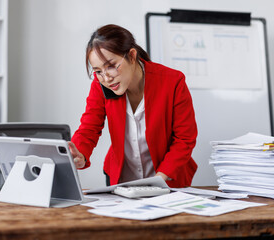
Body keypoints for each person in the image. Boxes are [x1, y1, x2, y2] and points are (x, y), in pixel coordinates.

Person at [68, 24, 197, 188]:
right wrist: (79, 154)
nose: (106, 78)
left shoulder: (173, 82)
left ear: (132, 55)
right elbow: (89, 128)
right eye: (98, 71)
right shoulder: (100, 85)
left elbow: (184, 139)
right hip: (121, 180)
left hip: (166, 178)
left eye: (111, 66)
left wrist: (158, 179)